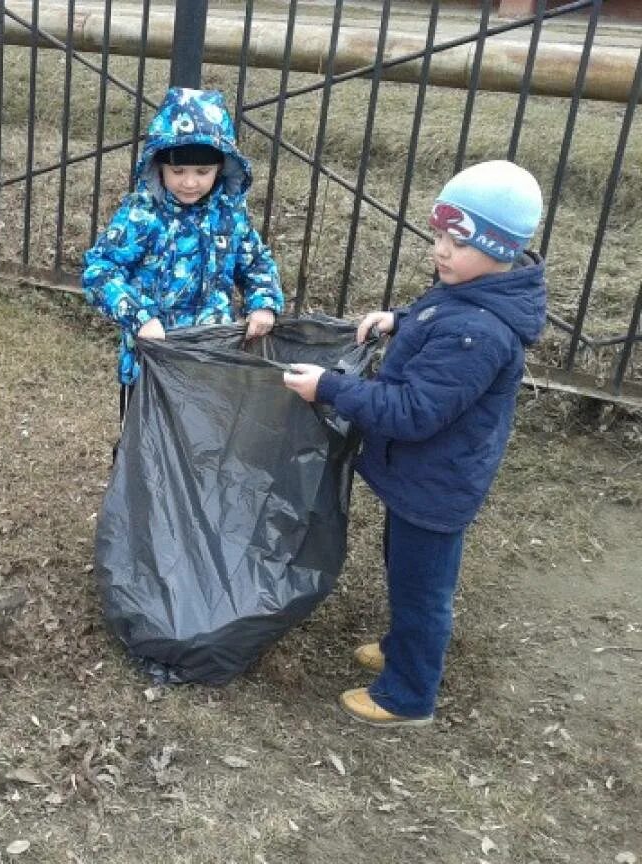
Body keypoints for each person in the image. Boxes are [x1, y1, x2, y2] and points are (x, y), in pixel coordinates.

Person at [283, 160, 547, 727]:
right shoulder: (474, 293)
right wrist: (398, 319)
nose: (440, 250)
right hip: (422, 478)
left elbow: (413, 412)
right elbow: (438, 316)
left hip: (436, 484)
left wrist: (330, 388)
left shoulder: (479, 332)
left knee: (423, 591)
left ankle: (407, 694)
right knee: (405, 571)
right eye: (438, 235)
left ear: (497, 248)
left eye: (457, 240)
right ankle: (405, 644)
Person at [82, 87, 283, 420]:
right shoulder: (142, 215)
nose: (190, 182)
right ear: (158, 165)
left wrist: (263, 302)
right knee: (147, 452)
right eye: (178, 171)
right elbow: (99, 272)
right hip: (152, 362)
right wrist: (140, 317)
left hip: (212, 359)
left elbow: (256, 262)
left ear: (222, 167)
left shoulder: (229, 214)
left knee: (203, 448)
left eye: (202, 172)